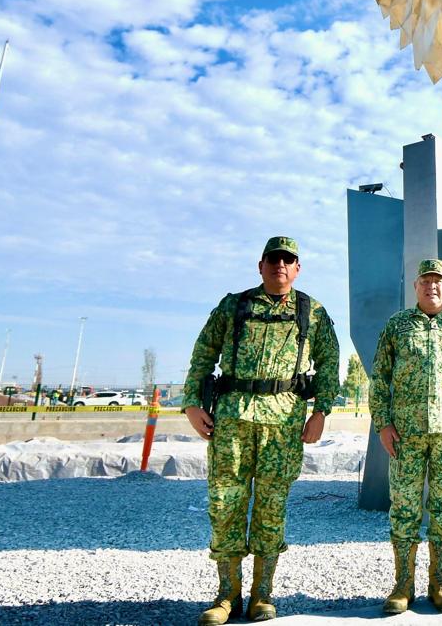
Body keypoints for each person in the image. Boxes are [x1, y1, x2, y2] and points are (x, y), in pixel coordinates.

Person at [182, 237, 340, 624]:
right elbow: (203, 353)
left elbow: (330, 363)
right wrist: (191, 403)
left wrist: (320, 412)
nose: (280, 266)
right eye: (274, 259)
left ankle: (262, 594)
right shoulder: (234, 306)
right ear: (261, 265)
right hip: (231, 419)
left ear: (297, 268)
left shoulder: (311, 311)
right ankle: (226, 595)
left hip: (283, 423)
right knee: (225, 506)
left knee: (271, 508)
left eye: (288, 260)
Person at [371, 259, 442, 615]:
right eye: (425, 280)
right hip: (406, 434)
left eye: (438, 281)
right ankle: (403, 583)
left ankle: (441, 581)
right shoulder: (397, 325)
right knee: (404, 508)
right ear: (416, 286)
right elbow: (379, 377)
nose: (432, 286)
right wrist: (383, 424)